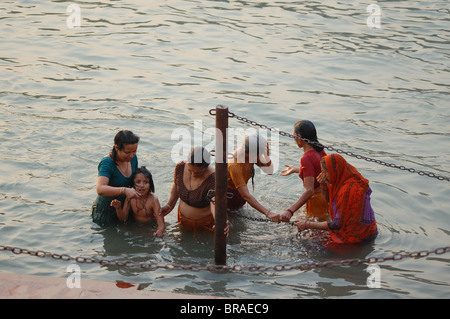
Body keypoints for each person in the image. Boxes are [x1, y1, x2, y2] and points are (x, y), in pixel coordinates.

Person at [295, 154, 378, 244]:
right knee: (310, 238)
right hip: (358, 229)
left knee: (310, 244)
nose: (323, 175)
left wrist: (307, 224)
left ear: (332, 171)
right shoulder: (339, 179)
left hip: (361, 236)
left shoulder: (348, 190)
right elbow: (329, 201)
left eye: (324, 173)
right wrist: (324, 186)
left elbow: (337, 224)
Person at [160, 147, 228, 235]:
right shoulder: (180, 167)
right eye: (190, 170)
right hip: (183, 220)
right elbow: (176, 187)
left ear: (207, 167)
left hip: (206, 224)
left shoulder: (214, 178)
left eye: (198, 173)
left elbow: (214, 203)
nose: (193, 174)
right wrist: (168, 206)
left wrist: (220, 221)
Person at [280, 120, 329, 222]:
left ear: (299, 137)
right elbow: (316, 173)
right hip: (327, 197)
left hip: (317, 202)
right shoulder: (320, 150)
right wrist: (296, 169)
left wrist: (290, 211)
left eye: (294, 136)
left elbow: (309, 191)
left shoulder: (306, 157)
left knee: (314, 234)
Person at [92, 130, 141, 226]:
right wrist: (124, 190)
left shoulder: (133, 158)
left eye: (134, 151)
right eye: (127, 152)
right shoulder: (107, 163)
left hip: (124, 208)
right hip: (106, 211)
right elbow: (100, 188)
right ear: (117, 148)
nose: (131, 155)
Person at [227, 133, 279, 221]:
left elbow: (269, 171)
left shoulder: (251, 154)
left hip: (239, 198)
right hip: (227, 199)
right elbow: (246, 195)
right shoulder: (234, 164)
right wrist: (268, 213)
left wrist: (266, 156)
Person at [111, 166, 165, 237]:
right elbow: (123, 218)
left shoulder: (153, 200)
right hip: (135, 227)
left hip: (150, 227)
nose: (142, 185)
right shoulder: (130, 197)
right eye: (138, 182)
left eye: (145, 182)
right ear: (133, 184)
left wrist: (160, 231)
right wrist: (118, 208)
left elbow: (161, 222)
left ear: (150, 184)